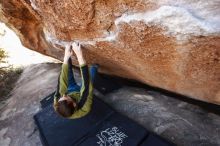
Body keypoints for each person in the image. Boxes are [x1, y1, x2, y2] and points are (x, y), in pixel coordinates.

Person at [53, 42, 98, 119]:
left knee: (67, 71)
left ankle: (69, 55)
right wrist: (79, 55)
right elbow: (86, 83)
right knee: (91, 75)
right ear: (74, 104)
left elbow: (62, 80)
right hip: (81, 95)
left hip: (71, 91)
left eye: (62, 97)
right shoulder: (84, 107)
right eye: (65, 97)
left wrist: (66, 58)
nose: (63, 95)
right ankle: (94, 66)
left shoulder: (57, 103)